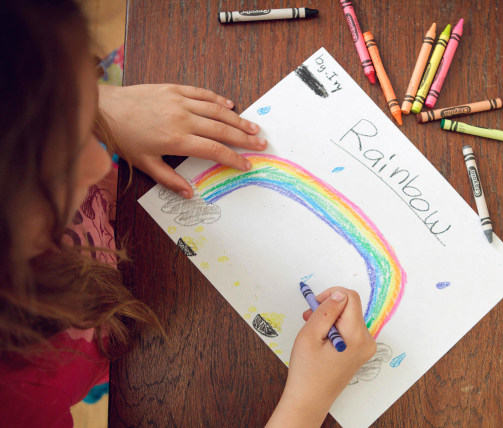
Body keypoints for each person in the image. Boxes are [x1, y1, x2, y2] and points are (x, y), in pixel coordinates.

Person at [0, 1, 376, 427]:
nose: (98, 162)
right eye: (57, 164)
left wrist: (105, 109)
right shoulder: (19, 399)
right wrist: (309, 400)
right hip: (100, 358)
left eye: (73, 106)